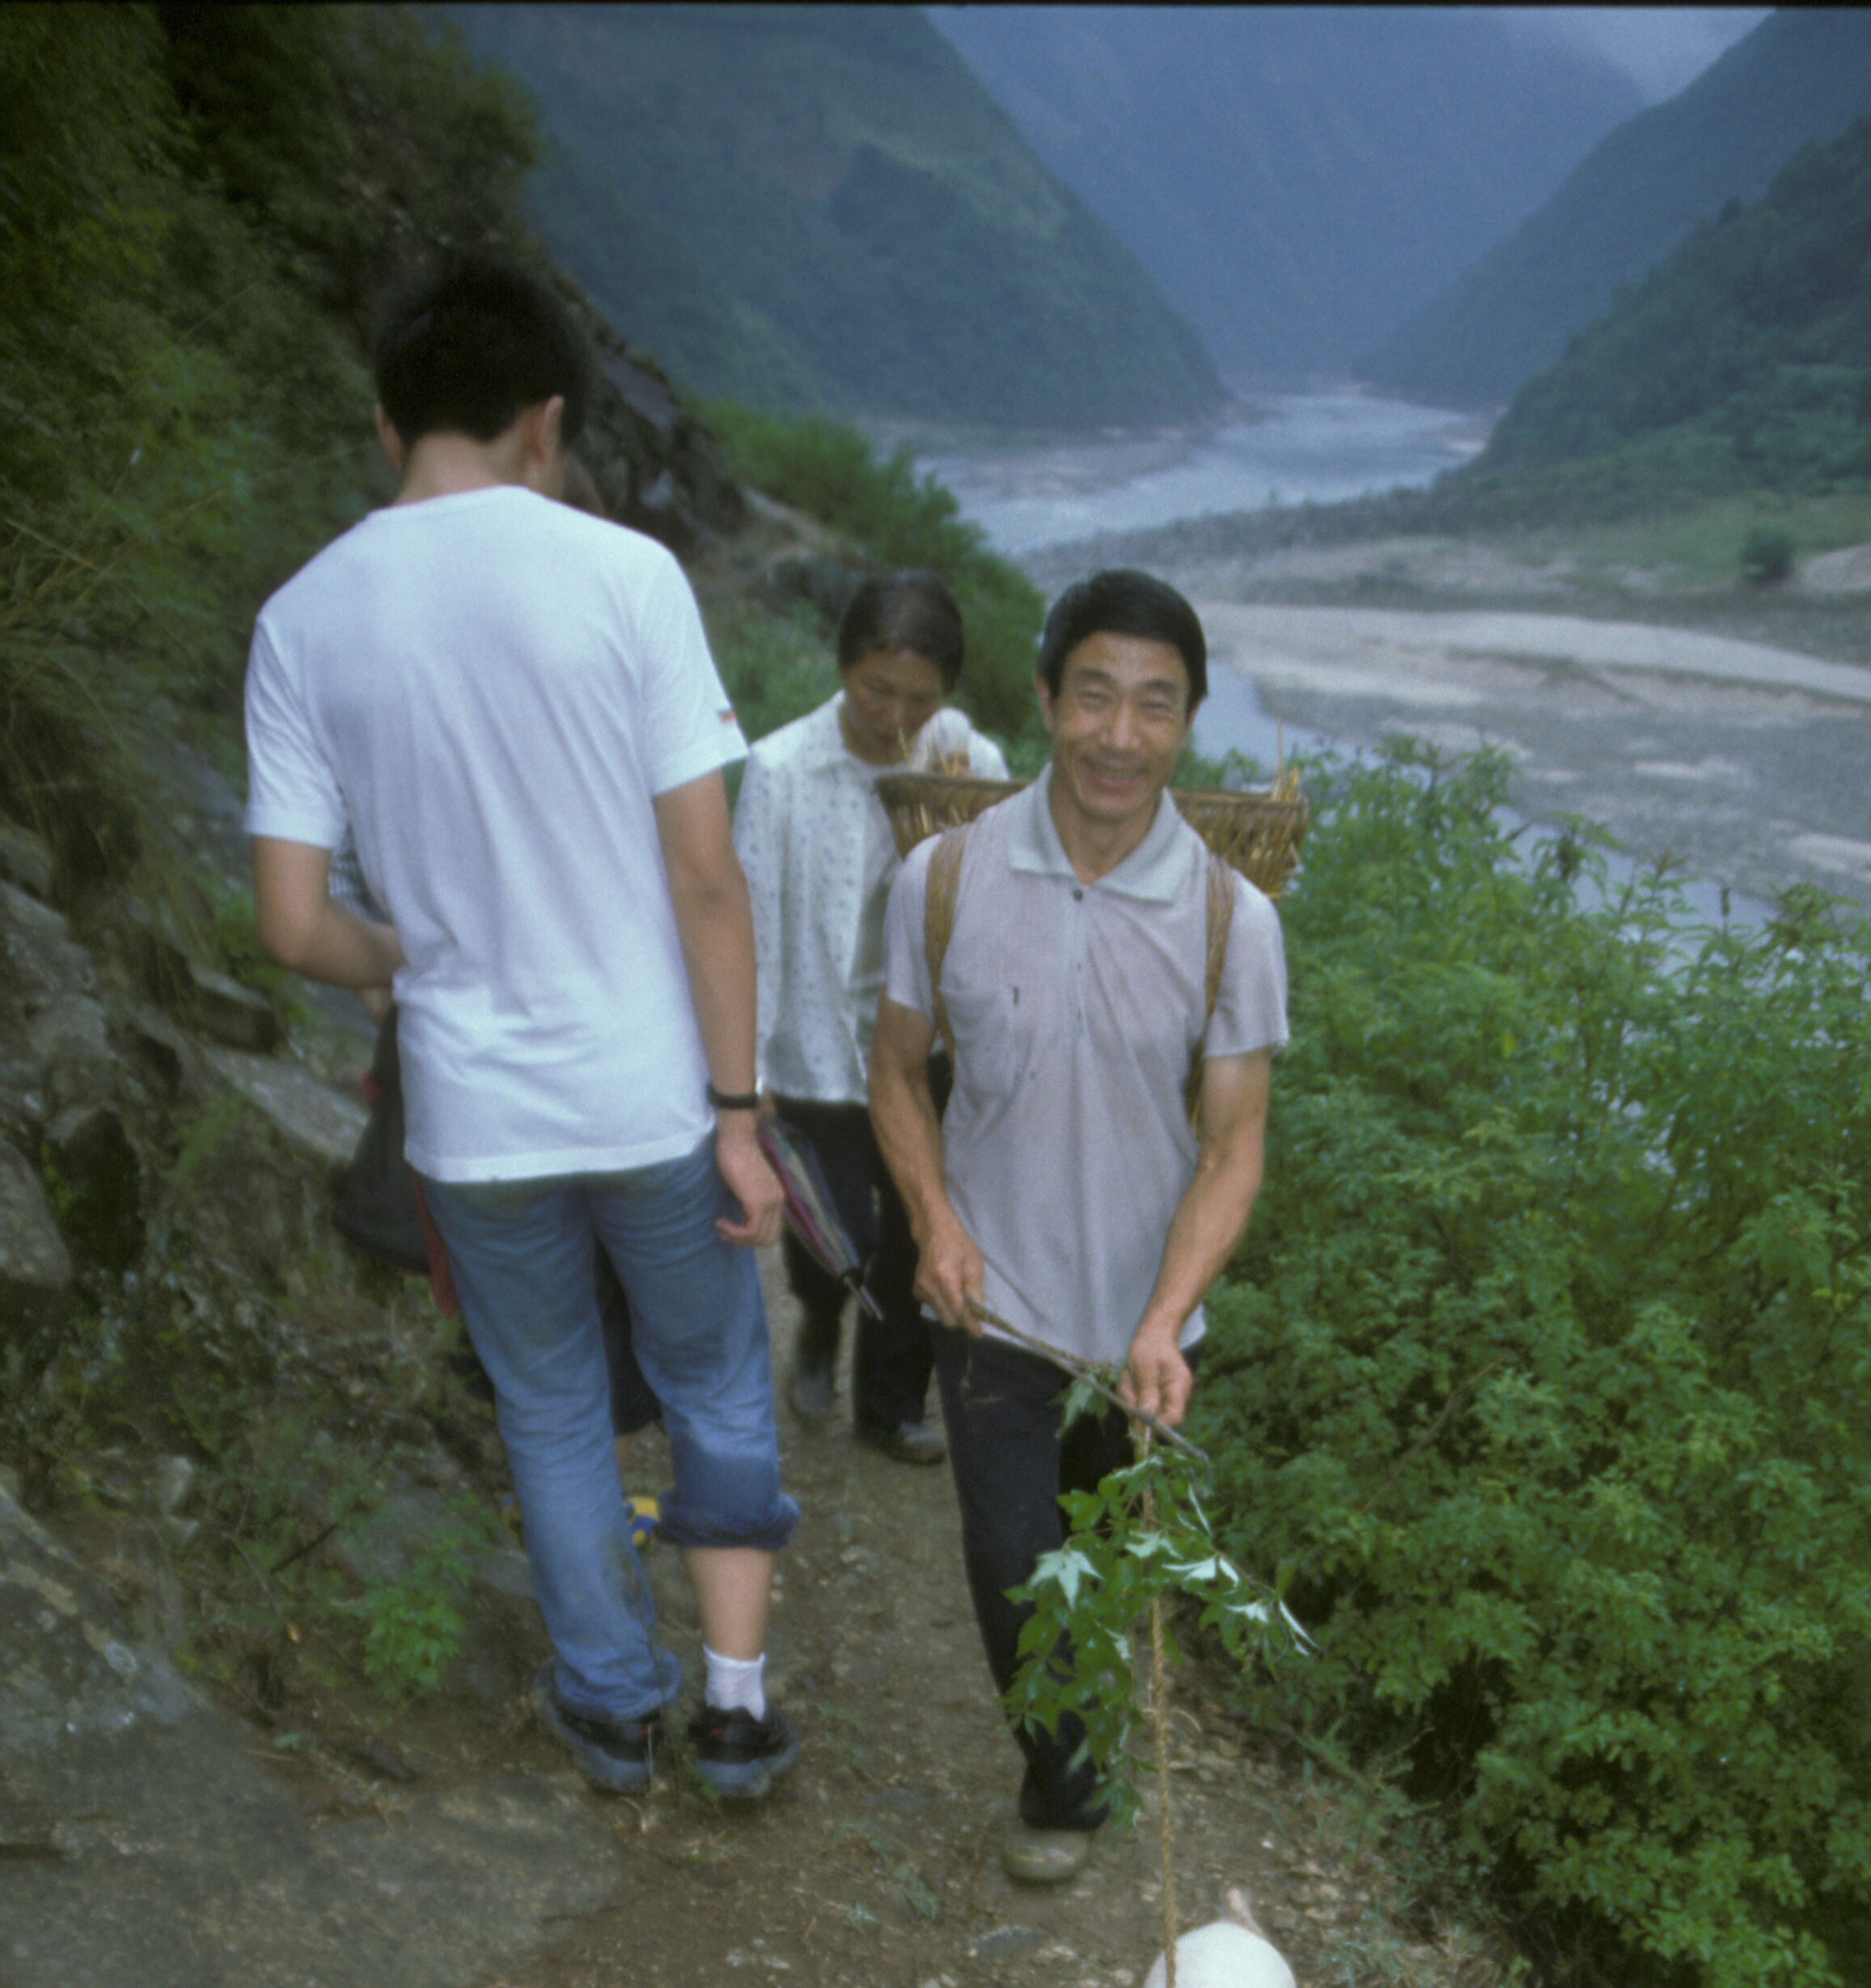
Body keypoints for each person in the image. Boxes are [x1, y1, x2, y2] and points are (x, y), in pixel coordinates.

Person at [245, 256, 800, 1804]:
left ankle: (614, 1708)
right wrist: (741, 1117)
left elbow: (289, 923)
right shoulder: (626, 581)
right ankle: (738, 1710)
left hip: (474, 1122)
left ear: (384, 422)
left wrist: (395, 958)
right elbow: (706, 877)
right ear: (545, 422)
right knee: (712, 1380)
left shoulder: (302, 620)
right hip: (647, 1098)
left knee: (551, 1403)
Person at [870, 568, 1287, 1885]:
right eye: (1094, 695)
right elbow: (894, 1071)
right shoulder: (941, 880)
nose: (1120, 734)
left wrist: (1165, 1317)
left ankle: (1078, 1715)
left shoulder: (1234, 918)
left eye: (1154, 706)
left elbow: (1233, 1147)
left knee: (1097, 1569)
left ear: (1189, 723)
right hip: (993, 1305)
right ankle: (1062, 1781)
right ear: (1044, 699)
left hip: (1140, 1338)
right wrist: (932, 1220)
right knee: (1010, 1566)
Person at [734, 571, 1007, 1464]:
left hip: (922, 1042)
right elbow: (755, 923)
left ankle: (891, 1402)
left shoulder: (964, 763)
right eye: (876, 690)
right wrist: (751, 1079)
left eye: (920, 699)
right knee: (834, 1225)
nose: (896, 715)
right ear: (843, 667)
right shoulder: (781, 770)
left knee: (919, 1224)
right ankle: (817, 1321)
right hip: (813, 1040)